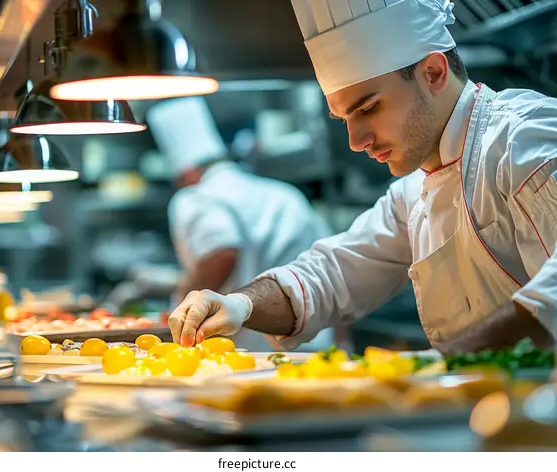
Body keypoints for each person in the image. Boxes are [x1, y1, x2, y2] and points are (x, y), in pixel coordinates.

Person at [167, 0, 557, 356]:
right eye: (345, 119)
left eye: (369, 107)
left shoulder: (524, 140)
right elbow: (332, 274)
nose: (356, 141)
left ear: (433, 72)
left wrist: (441, 364)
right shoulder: (412, 194)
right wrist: (239, 305)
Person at [109, 96, 334, 352]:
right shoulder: (283, 194)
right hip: (314, 342)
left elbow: (223, 252)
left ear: (185, 171)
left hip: (253, 351)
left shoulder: (197, 197)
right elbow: (326, 268)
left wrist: (182, 308)